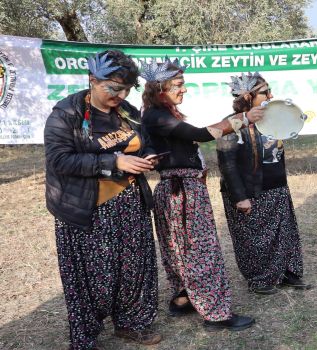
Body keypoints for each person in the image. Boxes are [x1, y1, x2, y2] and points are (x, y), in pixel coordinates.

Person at [44, 50, 161, 349]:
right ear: (92, 80)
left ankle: (132, 323)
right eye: (113, 88)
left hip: (130, 203)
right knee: (90, 279)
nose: (120, 95)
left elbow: (142, 142)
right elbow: (60, 160)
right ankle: (85, 338)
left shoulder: (128, 112)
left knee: (135, 268)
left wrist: (147, 158)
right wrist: (113, 162)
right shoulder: (66, 113)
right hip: (86, 209)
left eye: (125, 89)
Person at [141, 59, 262, 330]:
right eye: (178, 85)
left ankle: (183, 299)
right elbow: (201, 134)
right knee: (199, 250)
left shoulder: (160, 114)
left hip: (180, 190)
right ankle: (216, 314)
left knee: (182, 250)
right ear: (161, 87)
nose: (184, 90)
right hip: (182, 192)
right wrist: (242, 119)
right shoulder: (157, 116)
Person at [217, 72, 310, 295]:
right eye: (265, 92)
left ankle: (287, 272)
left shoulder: (271, 118)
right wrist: (240, 197)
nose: (271, 95)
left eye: (269, 90)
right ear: (248, 97)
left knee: (284, 233)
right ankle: (260, 278)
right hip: (250, 193)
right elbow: (227, 165)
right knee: (254, 240)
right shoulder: (232, 124)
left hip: (277, 188)